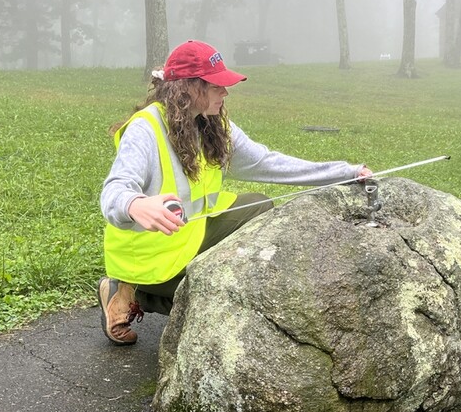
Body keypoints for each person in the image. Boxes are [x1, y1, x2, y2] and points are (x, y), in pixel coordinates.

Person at [98, 40, 370, 345]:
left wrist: (346, 173)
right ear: (188, 88)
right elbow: (114, 191)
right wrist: (135, 205)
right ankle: (130, 291)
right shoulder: (145, 129)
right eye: (217, 86)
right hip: (149, 256)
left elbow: (267, 162)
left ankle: (154, 291)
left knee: (259, 206)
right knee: (222, 297)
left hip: (189, 234)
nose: (225, 93)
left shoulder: (212, 122)